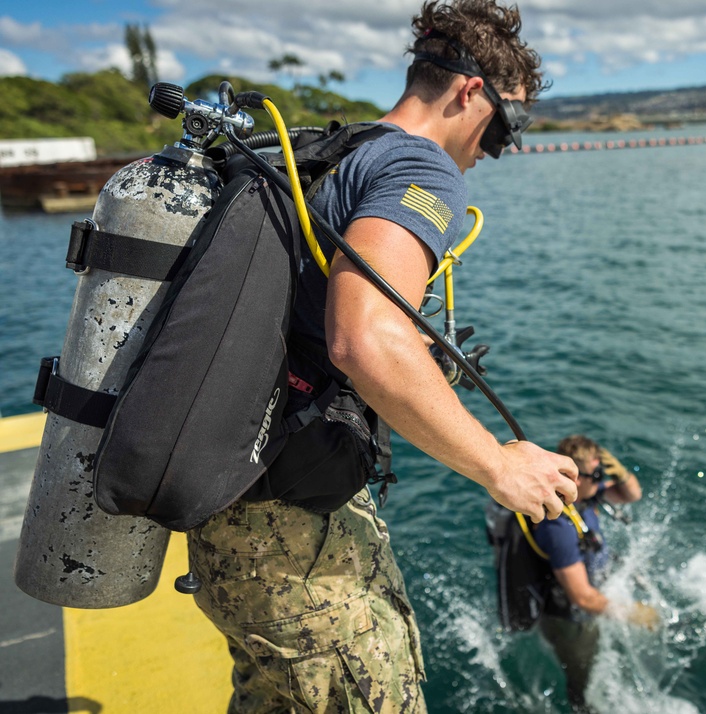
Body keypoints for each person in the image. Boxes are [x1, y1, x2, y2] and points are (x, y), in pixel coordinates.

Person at [186, 2, 579, 712]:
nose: (500, 148)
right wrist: (498, 464)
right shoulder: (417, 164)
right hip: (293, 541)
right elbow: (363, 338)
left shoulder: (336, 152)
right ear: (470, 92)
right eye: (508, 125)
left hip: (230, 509)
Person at [533, 435, 657, 713]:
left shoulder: (587, 494)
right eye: (597, 473)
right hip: (569, 620)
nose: (602, 479)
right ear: (576, 479)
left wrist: (621, 474)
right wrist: (633, 613)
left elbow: (632, 495)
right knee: (582, 687)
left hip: (593, 598)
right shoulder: (558, 527)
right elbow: (582, 598)